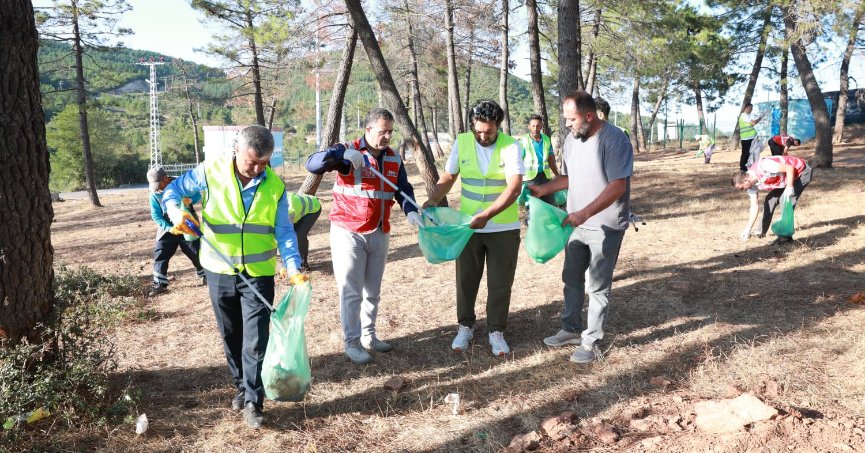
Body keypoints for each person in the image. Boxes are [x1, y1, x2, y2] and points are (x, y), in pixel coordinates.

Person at [163, 125, 307, 429]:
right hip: (219, 270)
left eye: (263, 163)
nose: (256, 170)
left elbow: (284, 231)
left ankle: (255, 402)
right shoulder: (209, 173)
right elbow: (172, 191)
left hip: (258, 274)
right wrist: (176, 212)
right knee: (231, 334)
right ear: (236, 151)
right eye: (251, 162)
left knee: (256, 339)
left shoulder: (275, 187)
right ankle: (242, 386)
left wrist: (293, 267)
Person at [305, 108, 422, 365]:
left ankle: (369, 336)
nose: (387, 136)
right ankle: (352, 342)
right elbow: (312, 163)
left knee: (373, 291)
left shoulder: (393, 158)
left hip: (380, 230)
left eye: (391, 131)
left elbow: (403, 189)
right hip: (349, 231)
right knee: (351, 291)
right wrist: (342, 154)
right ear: (368, 129)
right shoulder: (348, 152)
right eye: (383, 131)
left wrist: (411, 211)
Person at [528, 91, 633, 364]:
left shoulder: (615, 139)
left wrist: (585, 212)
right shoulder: (573, 139)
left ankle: (592, 341)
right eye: (566, 119)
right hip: (576, 223)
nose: (567, 124)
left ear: (589, 116)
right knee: (571, 278)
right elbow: (569, 178)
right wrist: (542, 189)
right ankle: (571, 328)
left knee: (597, 286)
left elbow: (617, 185)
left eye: (571, 119)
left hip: (605, 225)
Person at [423, 99, 524, 357]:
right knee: (466, 280)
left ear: (498, 126)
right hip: (468, 226)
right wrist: (434, 198)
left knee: (500, 282)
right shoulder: (463, 142)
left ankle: (496, 330)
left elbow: (514, 189)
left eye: (488, 131)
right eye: (478, 130)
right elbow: (448, 177)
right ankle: (465, 326)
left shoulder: (511, 146)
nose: (483, 135)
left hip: (502, 227)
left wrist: (488, 215)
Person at [145, 166, 206, 297]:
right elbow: (156, 216)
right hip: (167, 227)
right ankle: (159, 284)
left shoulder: (181, 184)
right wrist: (169, 228)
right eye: (154, 186)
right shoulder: (154, 194)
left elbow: (196, 195)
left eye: (158, 184)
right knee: (161, 253)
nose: (157, 188)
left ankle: (206, 276)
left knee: (196, 252)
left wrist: (189, 200)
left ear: (165, 178)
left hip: (187, 223)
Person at [731, 155, 812, 243]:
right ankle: (760, 232)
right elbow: (754, 207)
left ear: (746, 180)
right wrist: (748, 228)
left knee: (785, 200)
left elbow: (790, 168)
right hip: (786, 178)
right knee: (770, 200)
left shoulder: (764, 166)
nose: (743, 190)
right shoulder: (750, 186)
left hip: (802, 171)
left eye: (742, 188)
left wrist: (789, 187)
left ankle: (785, 237)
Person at [519, 115, 559, 205]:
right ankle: (532, 219)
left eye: (538, 126)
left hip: (545, 177)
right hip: (530, 179)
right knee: (533, 205)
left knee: (549, 203)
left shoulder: (546, 139)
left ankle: (547, 219)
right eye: (533, 126)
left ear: (541, 126)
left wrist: (557, 174)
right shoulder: (523, 140)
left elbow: (550, 158)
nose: (535, 128)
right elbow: (518, 161)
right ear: (529, 126)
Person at [287, 192, 322, 272]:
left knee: (299, 235)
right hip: (298, 208)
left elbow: (286, 234)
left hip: (313, 208)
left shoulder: (288, 211)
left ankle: (303, 265)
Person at [738, 103, 765, 171]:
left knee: (753, 152)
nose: (751, 110)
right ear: (746, 108)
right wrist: (760, 117)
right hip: (746, 139)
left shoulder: (747, 115)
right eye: (750, 108)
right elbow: (753, 123)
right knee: (746, 153)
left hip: (751, 138)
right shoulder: (744, 116)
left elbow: (752, 122)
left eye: (752, 108)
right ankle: (743, 168)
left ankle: (750, 166)